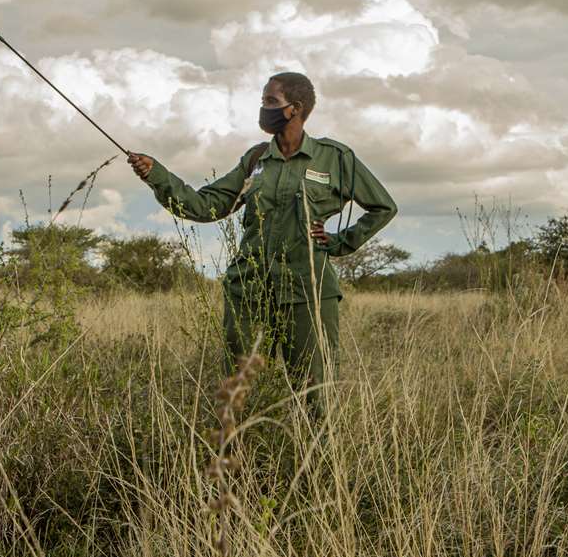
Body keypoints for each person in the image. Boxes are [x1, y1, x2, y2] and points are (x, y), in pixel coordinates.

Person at [126, 72, 395, 414]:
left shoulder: (335, 158)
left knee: (314, 392)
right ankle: (232, 461)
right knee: (236, 390)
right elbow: (205, 205)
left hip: (307, 291)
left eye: (270, 101)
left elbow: (383, 207)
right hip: (248, 292)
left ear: (294, 109)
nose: (263, 108)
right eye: (263, 100)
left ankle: (316, 465)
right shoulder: (255, 160)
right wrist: (157, 175)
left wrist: (340, 242)